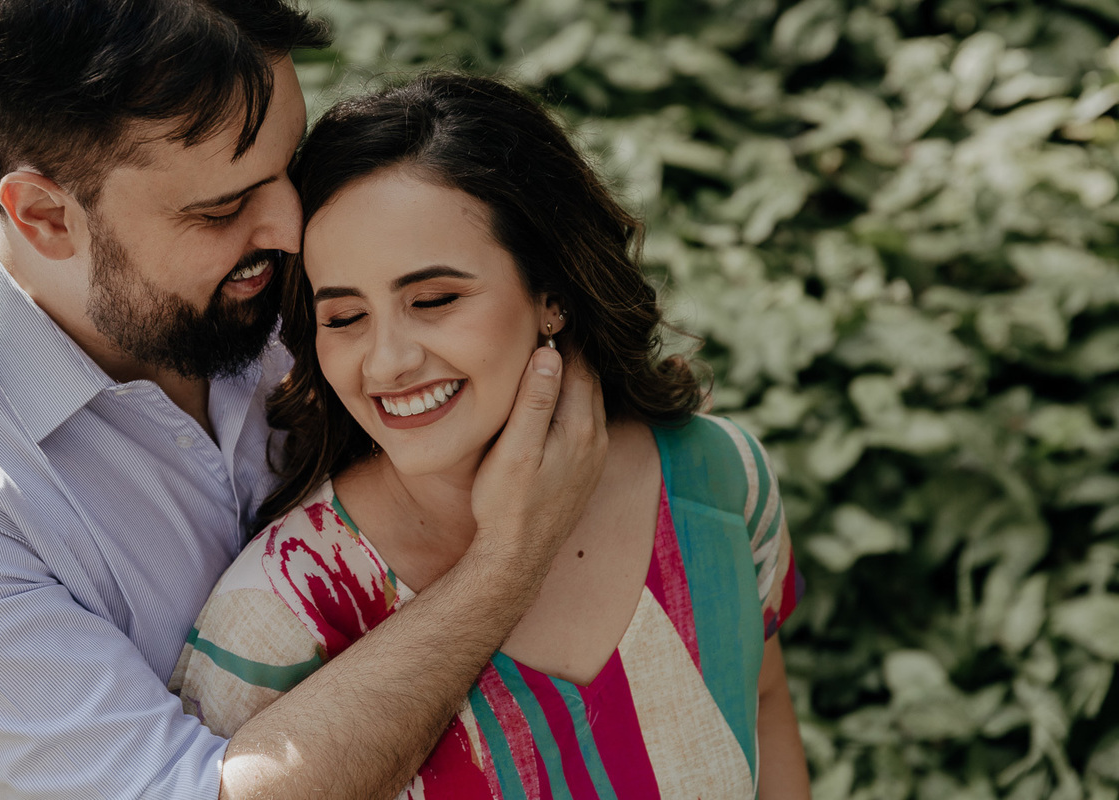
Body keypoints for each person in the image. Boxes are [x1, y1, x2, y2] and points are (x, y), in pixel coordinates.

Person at [0, 3, 607, 799]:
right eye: (221, 209)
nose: (289, 227)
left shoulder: (308, 287)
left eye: (292, 165)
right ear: (43, 216)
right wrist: (506, 565)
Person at [174, 72, 811, 798]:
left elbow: (763, 705)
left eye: (435, 299)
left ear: (552, 294)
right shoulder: (279, 611)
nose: (387, 362)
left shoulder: (719, 477)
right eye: (345, 317)